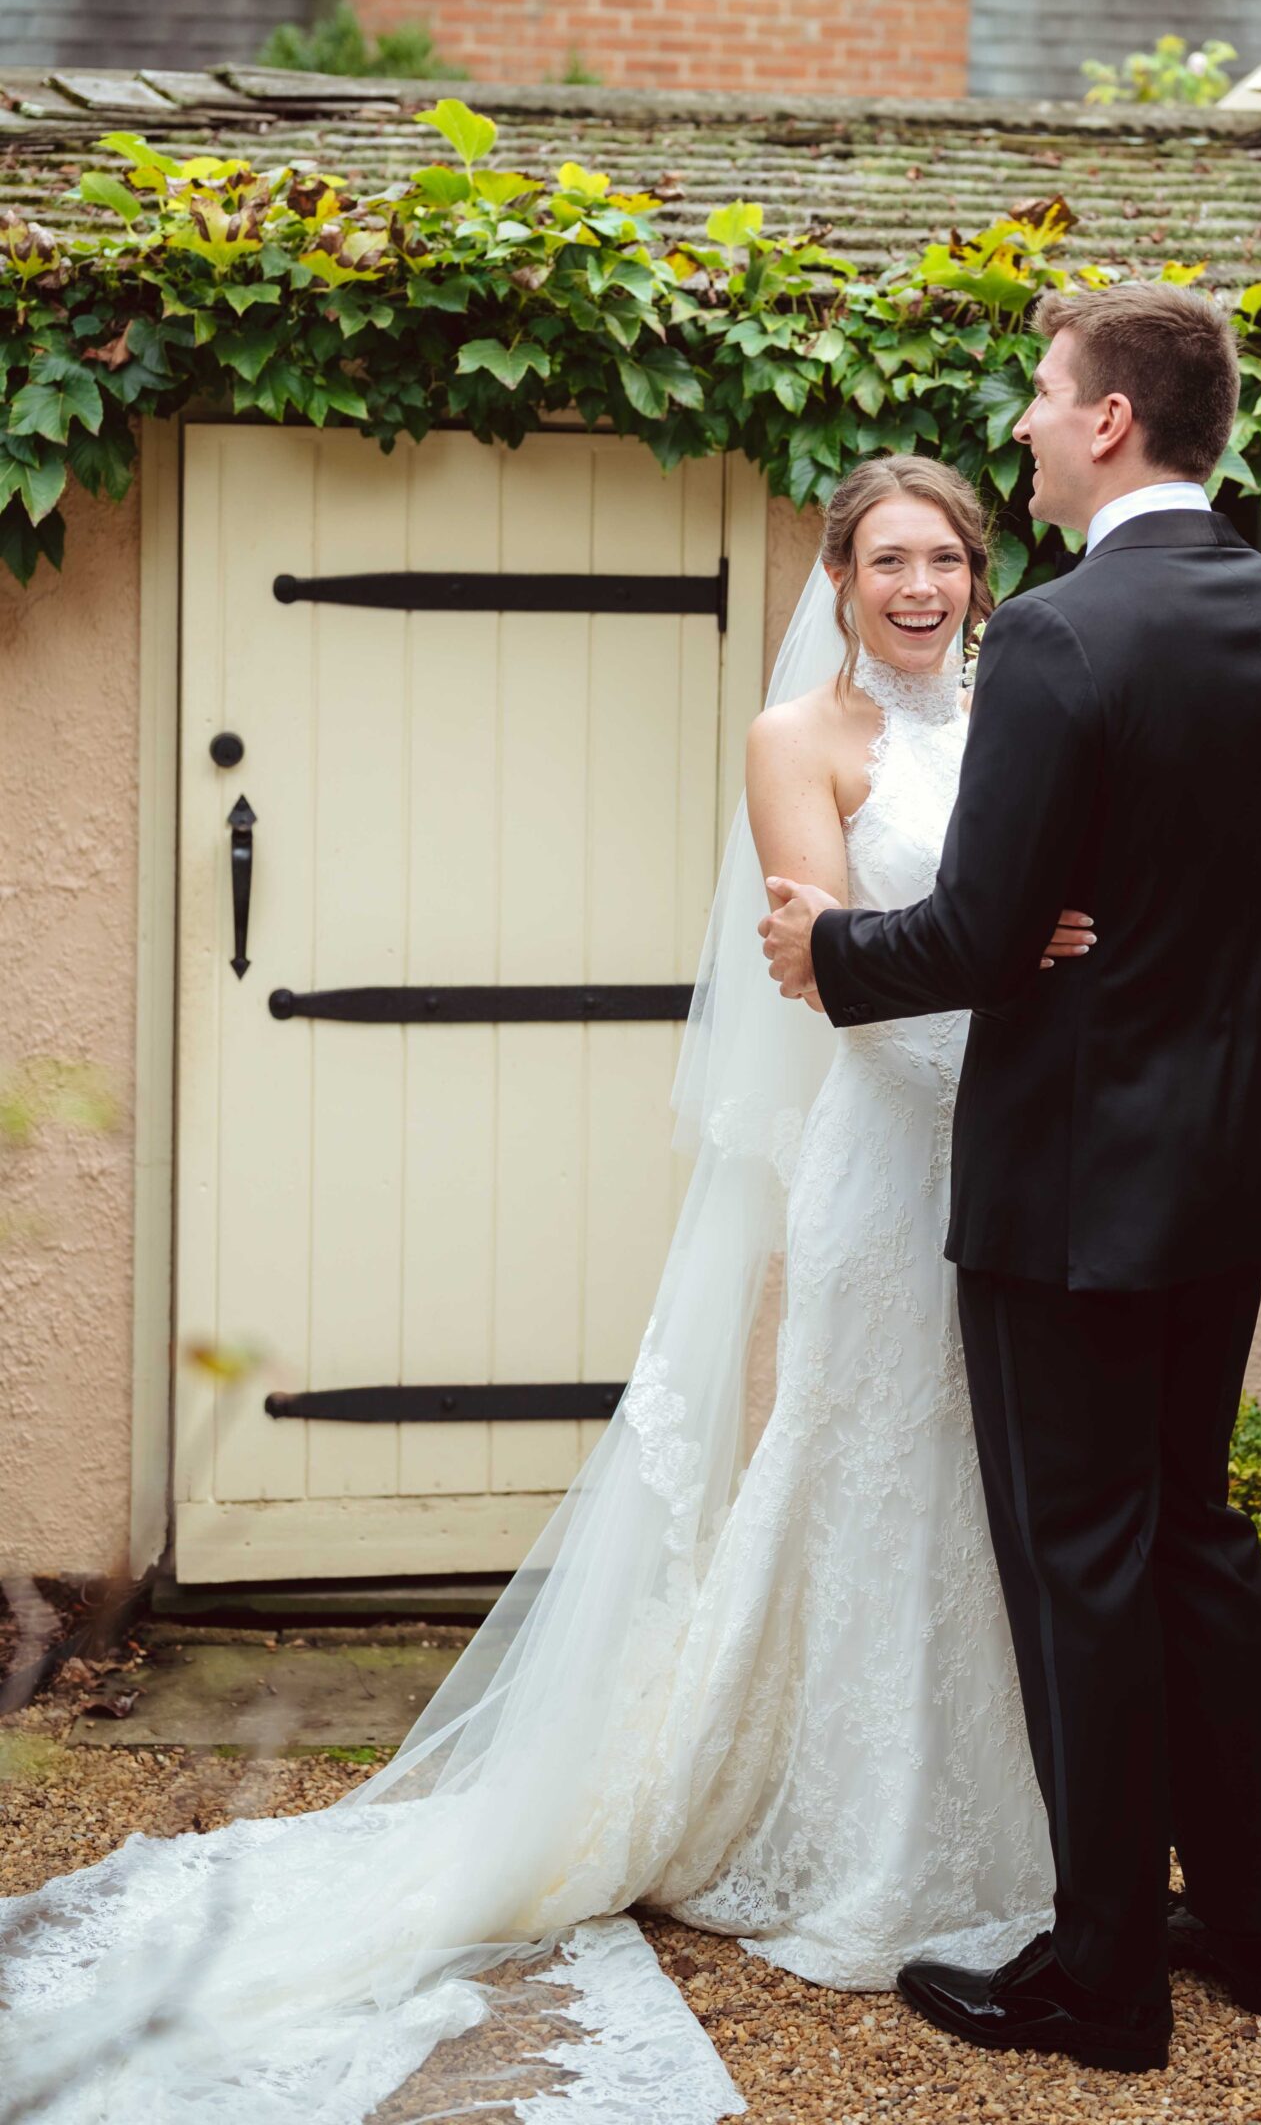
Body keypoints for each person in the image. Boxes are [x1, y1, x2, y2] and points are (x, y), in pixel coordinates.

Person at [0, 454, 1084, 2125]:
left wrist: (1035, 957)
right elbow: (829, 975)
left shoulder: (1024, 716)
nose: (921, 589)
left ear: (981, 573)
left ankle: (1025, 1829)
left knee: (998, 1494)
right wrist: (1017, 959)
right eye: (888, 561)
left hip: (1022, 1155)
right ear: (839, 579)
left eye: (944, 557)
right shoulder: (796, 740)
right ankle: (853, 1837)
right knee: (872, 1481)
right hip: (893, 1159)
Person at [761, 281, 1261, 2075]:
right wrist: (1175, 947)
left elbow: (978, 935)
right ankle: (1251, 1931)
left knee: (1082, 1567)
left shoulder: (1054, 634)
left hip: (1063, 1180)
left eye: (1046, 395)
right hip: (1227, 1171)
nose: (1028, 425)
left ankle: (1106, 1978)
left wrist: (827, 951)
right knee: (1194, 1535)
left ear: (1112, 420)